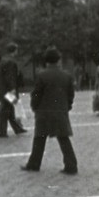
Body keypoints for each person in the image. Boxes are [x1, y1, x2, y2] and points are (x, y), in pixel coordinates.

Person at [20, 47, 78, 175]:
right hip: (60, 111)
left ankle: (34, 164)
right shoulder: (66, 76)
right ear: (58, 60)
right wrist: (67, 106)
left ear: (46, 61)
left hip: (44, 112)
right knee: (64, 138)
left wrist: (34, 107)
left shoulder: (42, 75)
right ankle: (71, 165)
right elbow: (71, 95)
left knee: (39, 139)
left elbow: (36, 94)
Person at [0, 43, 27, 137]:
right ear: (14, 50)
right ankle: (1, 131)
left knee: (10, 109)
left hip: (3, 89)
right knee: (6, 110)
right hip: (8, 90)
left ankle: (17, 128)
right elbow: (10, 76)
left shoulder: (4, 60)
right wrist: (12, 88)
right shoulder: (10, 62)